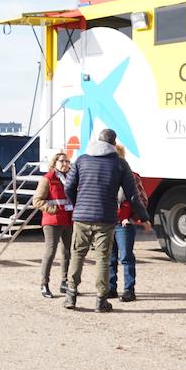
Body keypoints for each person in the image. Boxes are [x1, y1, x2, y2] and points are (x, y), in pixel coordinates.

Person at [64, 128, 150, 312]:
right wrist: (144, 217)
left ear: (97, 141)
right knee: (102, 258)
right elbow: (132, 195)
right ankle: (101, 300)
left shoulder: (81, 160)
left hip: (81, 217)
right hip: (106, 217)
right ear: (113, 143)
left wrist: (78, 204)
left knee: (78, 254)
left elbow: (69, 186)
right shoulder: (120, 164)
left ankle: (71, 295)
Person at [107, 143, 147, 302]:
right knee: (109, 258)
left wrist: (132, 218)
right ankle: (111, 288)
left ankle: (129, 290)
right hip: (108, 222)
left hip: (124, 224)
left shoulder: (133, 176)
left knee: (126, 257)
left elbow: (142, 200)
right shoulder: (105, 175)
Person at [34, 149, 73, 299]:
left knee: (68, 252)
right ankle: (44, 283)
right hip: (53, 221)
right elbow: (37, 200)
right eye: (62, 161)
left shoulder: (71, 178)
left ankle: (65, 282)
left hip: (69, 220)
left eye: (67, 161)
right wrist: (52, 209)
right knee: (50, 252)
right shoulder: (48, 179)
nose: (65, 164)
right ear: (55, 163)